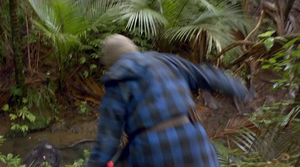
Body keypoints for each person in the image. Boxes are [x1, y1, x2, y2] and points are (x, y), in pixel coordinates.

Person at [86, 34, 251, 167]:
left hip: (152, 154)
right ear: (134, 49)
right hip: (194, 144)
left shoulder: (117, 81)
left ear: (110, 62)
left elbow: (107, 141)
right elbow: (205, 75)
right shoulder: (165, 61)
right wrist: (238, 88)